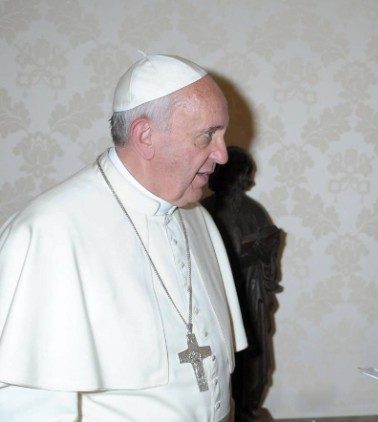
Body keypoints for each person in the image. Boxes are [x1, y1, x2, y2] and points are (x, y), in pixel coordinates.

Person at [0, 54, 248, 421]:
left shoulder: (197, 218)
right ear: (145, 135)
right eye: (207, 135)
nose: (222, 154)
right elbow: (26, 405)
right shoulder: (49, 233)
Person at [202, 146, 282, 421]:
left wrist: (264, 251)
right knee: (226, 355)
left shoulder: (254, 211)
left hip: (251, 291)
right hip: (221, 295)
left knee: (255, 355)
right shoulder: (203, 212)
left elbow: (268, 259)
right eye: (243, 175)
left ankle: (249, 406)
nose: (248, 182)